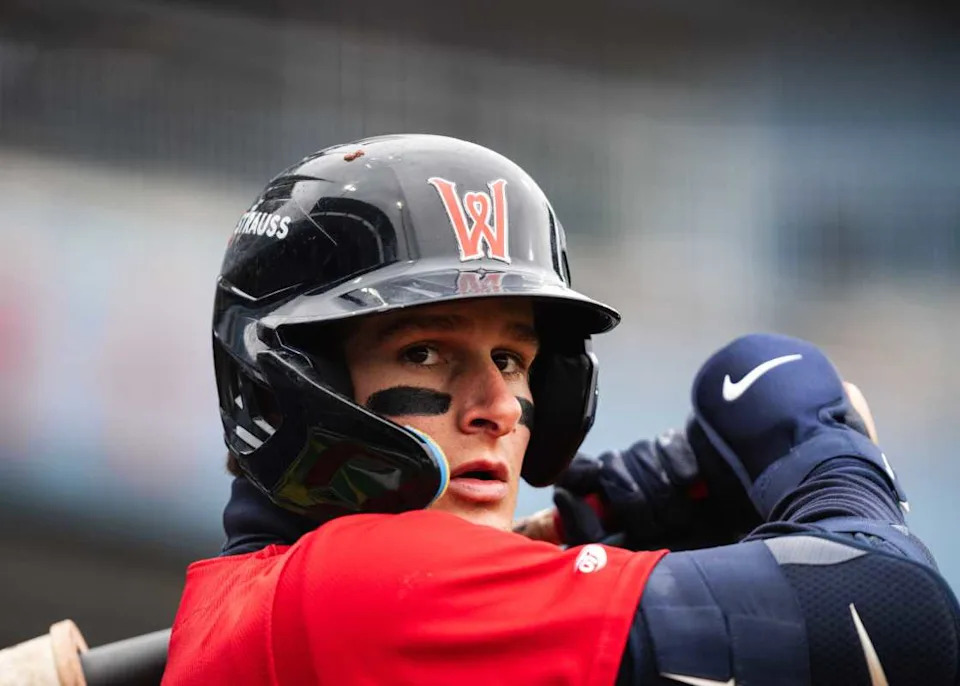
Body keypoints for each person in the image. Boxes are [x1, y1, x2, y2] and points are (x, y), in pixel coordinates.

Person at [162, 134, 960, 685]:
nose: (500, 406)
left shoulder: (247, 601)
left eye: (512, 358)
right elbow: (897, 616)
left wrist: (614, 506)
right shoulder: (356, 588)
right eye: (426, 352)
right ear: (291, 383)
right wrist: (821, 452)